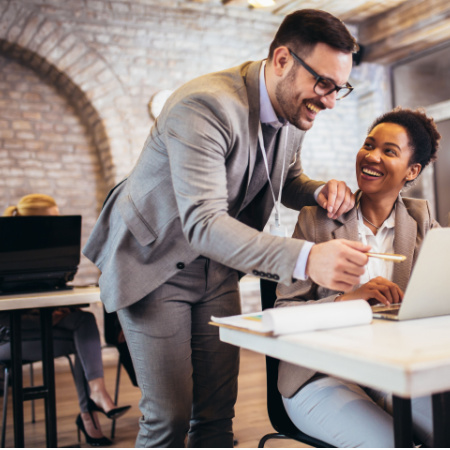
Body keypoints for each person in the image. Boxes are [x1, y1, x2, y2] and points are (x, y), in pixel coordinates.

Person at [83, 9, 371, 447]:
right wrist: (308, 258)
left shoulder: (294, 111)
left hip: (216, 266)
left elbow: (283, 178)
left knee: (217, 416)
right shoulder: (205, 105)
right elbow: (202, 222)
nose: (330, 100)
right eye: (323, 83)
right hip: (153, 262)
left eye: (339, 88)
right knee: (169, 419)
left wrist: (317, 192)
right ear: (281, 60)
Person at [275, 107, 441, 447]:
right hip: (320, 373)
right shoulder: (316, 220)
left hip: (391, 370)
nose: (372, 156)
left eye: (389, 151)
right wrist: (347, 300)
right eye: (369, 144)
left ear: (413, 170)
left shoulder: (421, 221)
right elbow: (284, 311)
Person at [0, 194, 131, 446]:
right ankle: (93, 407)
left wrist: (52, 310)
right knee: (83, 337)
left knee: (83, 323)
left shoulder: (48, 255)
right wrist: (39, 315)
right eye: (53, 220)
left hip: (39, 329)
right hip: (8, 338)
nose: (58, 225)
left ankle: (93, 405)